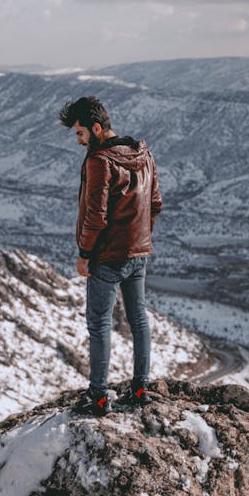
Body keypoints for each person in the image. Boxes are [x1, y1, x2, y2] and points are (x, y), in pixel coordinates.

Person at [59, 96, 162, 416]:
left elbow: (96, 216)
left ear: (96, 128)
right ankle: (141, 387)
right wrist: (139, 238)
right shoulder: (143, 154)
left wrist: (85, 254)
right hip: (139, 254)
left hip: (106, 258)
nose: (78, 141)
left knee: (100, 324)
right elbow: (155, 203)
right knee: (138, 319)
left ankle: (100, 396)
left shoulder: (99, 161)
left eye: (80, 133)